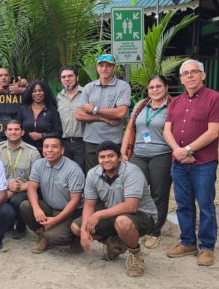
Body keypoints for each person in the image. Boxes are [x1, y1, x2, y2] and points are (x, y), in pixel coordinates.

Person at [163, 59, 219, 266]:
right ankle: (188, 241)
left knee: (206, 205)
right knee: (183, 204)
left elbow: (213, 132)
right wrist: (178, 151)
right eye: (185, 73)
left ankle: (207, 247)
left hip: (204, 164)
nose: (189, 76)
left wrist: (189, 150)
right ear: (181, 79)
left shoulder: (215, 99)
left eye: (194, 72)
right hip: (179, 162)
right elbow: (167, 130)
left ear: (203, 75)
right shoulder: (176, 102)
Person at [71, 141, 158, 277]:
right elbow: (89, 205)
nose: (106, 160)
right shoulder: (93, 174)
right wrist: (83, 231)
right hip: (113, 213)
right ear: (98, 159)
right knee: (76, 227)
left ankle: (135, 254)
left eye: (110, 156)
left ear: (119, 157)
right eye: (102, 157)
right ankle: (116, 242)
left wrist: (99, 215)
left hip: (142, 215)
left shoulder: (132, 171)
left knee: (122, 222)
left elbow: (131, 206)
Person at [120, 75, 173, 249]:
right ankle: (136, 223)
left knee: (158, 193)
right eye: (151, 87)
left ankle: (155, 231)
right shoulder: (141, 105)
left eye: (159, 86)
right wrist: (123, 151)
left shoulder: (173, 106)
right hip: (139, 154)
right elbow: (130, 127)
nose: (155, 90)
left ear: (166, 88)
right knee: (134, 191)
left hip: (162, 154)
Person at [19, 135, 85, 254]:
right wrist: (36, 209)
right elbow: (32, 187)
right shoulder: (39, 164)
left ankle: (74, 238)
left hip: (70, 212)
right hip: (50, 207)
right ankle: (42, 236)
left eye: (54, 147)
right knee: (25, 206)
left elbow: (75, 200)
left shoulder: (73, 169)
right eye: (46, 146)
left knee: (55, 237)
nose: (49, 150)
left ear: (62, 150)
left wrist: (56, 220)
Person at [76, 54, 131, 172]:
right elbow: (79, 114)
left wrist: (94, 109)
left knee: (114, 175)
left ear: (114, 67)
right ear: (97, 68)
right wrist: (103, 119)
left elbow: (120, 113)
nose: (104, 69)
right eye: (101, 65)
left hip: (113, 141)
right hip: (91, 141)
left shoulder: (123, 86)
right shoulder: (89, 87)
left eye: (108, 65)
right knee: (92, 175)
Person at [0, 120, 41, 239]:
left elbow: (37, 179)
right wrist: (8, 186)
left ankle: (21, 227)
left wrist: (18, 188)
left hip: (25, 190)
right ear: (6, 133)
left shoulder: (32, 152)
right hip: (2, 187)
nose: (13, 132)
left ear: (22, 132)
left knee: (16, 201)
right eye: (10, 129)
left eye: (16, 129)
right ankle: (6, 224)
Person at [17, 80, 62, 154]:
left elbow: (58, 132)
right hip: (26, 151)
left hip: (47, 152)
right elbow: (18, 128)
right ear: (30, 94)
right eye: (34, 91)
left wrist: (42, 135)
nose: (37, 93)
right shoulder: (23, 109)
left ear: (45, 92)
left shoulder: (52, 110)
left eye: (40, 90)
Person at [57, 65, 86, 172]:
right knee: (66, 174)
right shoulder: (59, 97)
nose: (67, 79)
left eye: (70, 76)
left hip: (82, 143)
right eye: (63, 77)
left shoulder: (86, 93)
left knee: (81, 173)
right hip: (64, 143)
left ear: (77, 78)